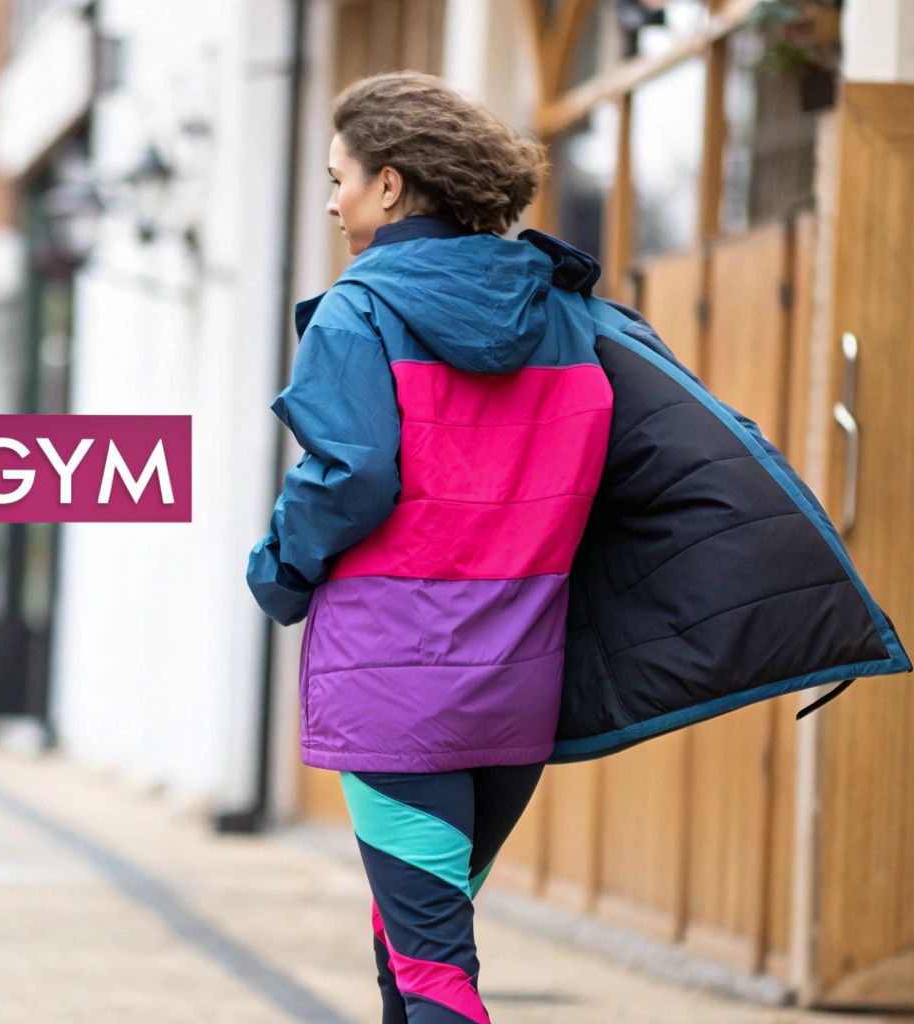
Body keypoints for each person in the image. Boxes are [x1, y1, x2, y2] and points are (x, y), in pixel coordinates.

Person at [246, 72, 596, 1024]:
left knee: (435, 966)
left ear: (391, 186)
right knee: (412, 940)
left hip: (399, 682)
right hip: (520, 678)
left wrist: (276, 568)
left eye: (339, 177)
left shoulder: (360, 309)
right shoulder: (566, 312)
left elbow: (350, 475)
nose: (330, 201)